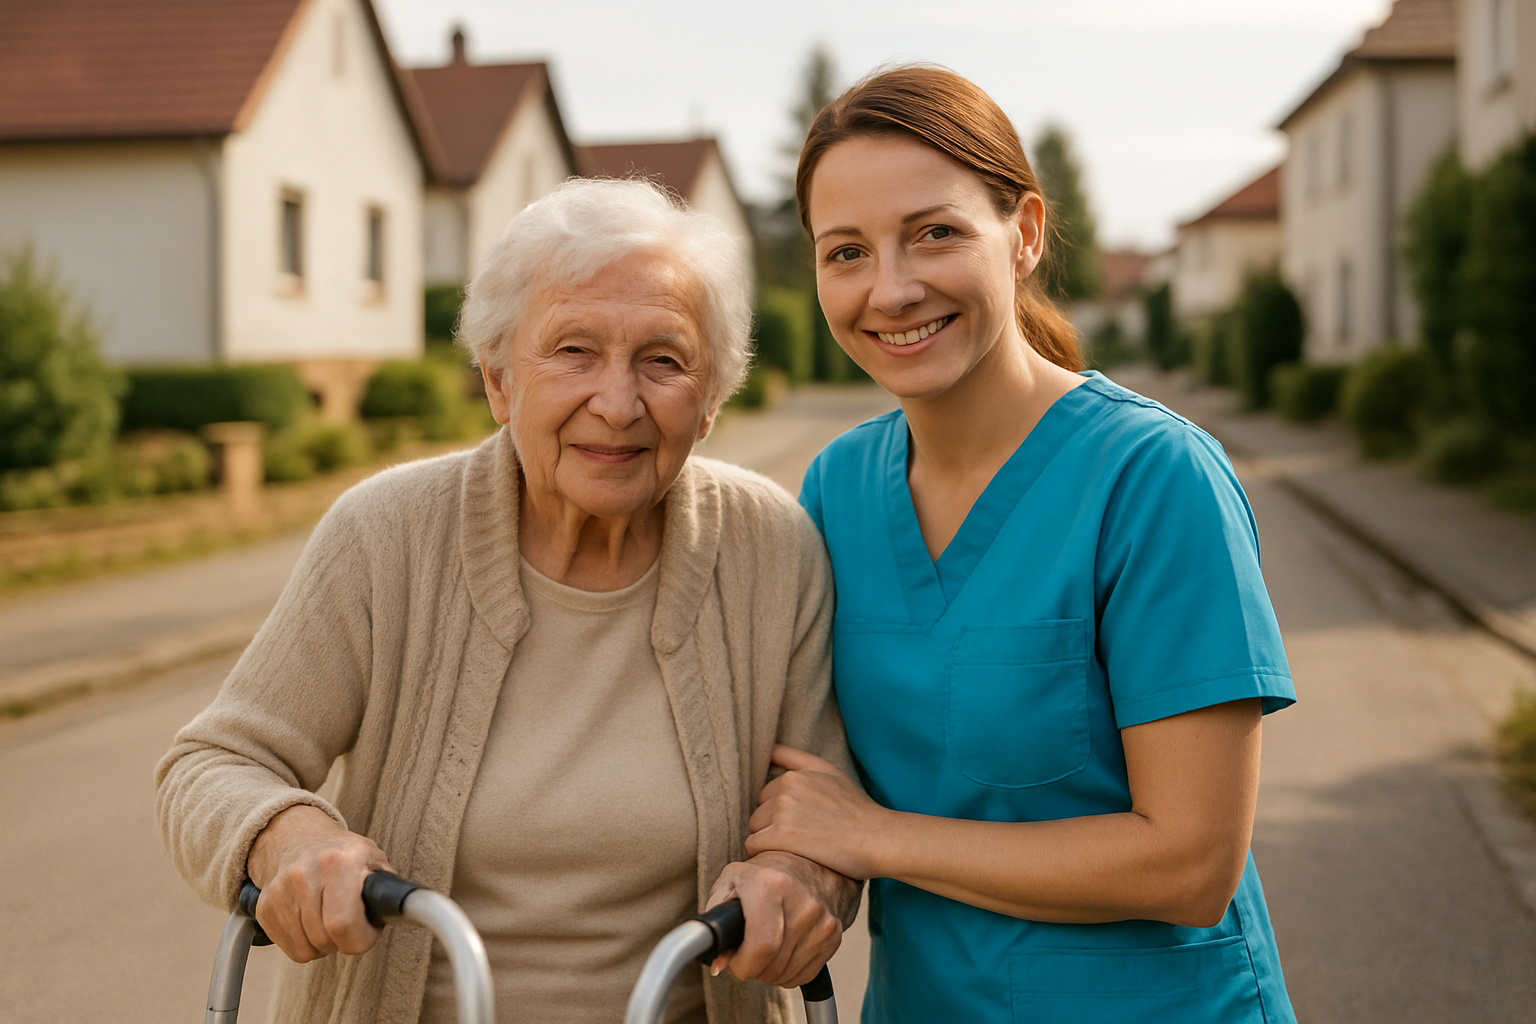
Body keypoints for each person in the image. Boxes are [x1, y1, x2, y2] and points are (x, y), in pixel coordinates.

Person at [156, 177, 857, 1024]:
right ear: (497, 382)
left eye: (663, 361)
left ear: (709, 404)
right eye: (572, 351)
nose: (617, 401)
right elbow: (213, 764)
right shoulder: (387, 535)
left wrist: (802, 881)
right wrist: (290, 836)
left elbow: (823, 814)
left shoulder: (772, 550)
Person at [744, 66, 1298, 1023]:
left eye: (935, 232)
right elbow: (807, 777)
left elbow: (1191, 863)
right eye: (846, 252)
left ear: (1026, 233)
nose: (891, 288)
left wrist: (879, 839)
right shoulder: (837, 489)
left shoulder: (1153, 478)